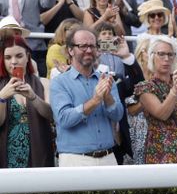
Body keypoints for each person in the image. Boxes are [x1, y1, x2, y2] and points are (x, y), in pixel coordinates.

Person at [49, 26, 124, 166]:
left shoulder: (106, 79)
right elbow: (64, 119)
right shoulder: (59, 82)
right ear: (70, 50)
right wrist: (95, 101)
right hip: (75, 159)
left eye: (92, 46)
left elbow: (118, 115)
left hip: (108, 157)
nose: (89, 50)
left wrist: (108, 99)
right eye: (83, 46)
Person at [134, 36, 177, 164]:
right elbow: (162, 114)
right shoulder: (145, 87)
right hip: (162, 154)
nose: (166, 59)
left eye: (170, 54)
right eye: (161, 54)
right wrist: (174, 91)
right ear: (151, 57)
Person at [0, 36, 54, 167]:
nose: (13, 62)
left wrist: (33, 97)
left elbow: (52, 116)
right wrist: (1, 97)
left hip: (39, 151)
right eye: (8, 57)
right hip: (7, 153)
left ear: (28, 56)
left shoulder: (44, 83)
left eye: (19, 56)